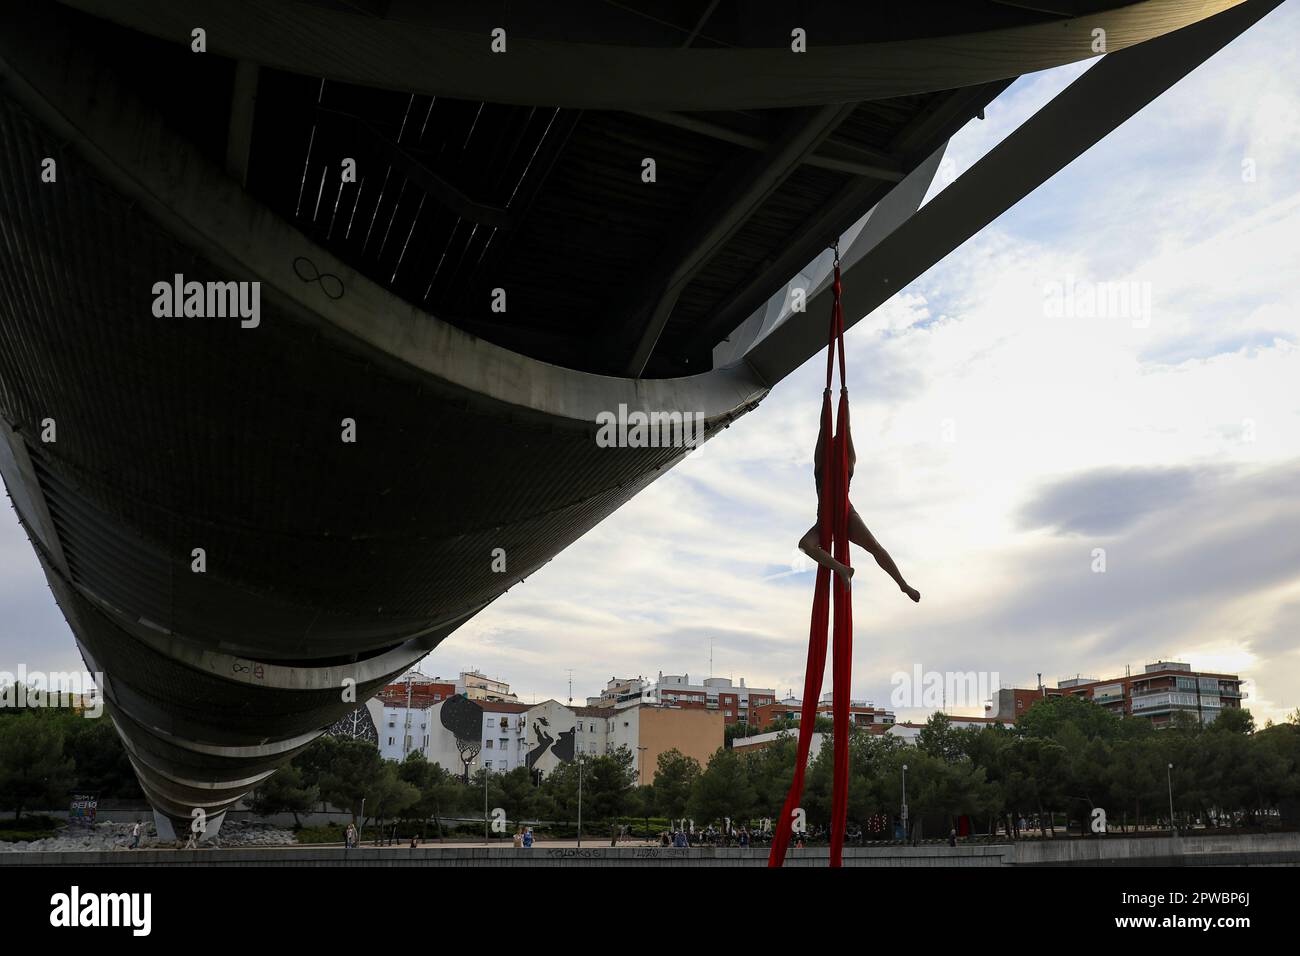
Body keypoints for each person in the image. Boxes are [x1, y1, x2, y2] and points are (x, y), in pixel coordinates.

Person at [798, 389, 920, 602]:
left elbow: (842, 428)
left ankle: (903, 585)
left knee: (874, 547)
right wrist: (828, 401)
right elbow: (828, 429)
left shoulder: (843, 464)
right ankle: (843, 569)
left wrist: (842, 401)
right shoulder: (823, 465)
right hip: (826, 518)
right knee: (805, 545)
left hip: (846, 515)